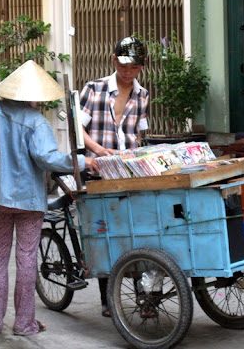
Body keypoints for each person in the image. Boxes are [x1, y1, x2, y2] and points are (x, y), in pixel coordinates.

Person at [0, 60, 96, 336]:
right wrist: (82, 162)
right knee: (26, 259)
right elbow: (47, 159)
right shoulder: (36, 122)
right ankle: (24, 323)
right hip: (28, 203)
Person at [79, 36, 149, 317]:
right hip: (97, 170)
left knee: (137, 230)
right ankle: (108, 299)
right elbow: (77, 128)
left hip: (128, 171)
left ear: (141, 68)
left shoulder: (142, 95)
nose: (127, 72)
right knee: (105, 230)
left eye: (133, 67)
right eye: (123, 65)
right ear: (113, 60)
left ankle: (143, 294)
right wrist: (97, 150)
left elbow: (138, 134)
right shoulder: (94, 89)